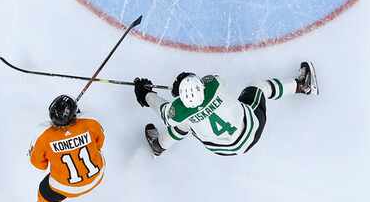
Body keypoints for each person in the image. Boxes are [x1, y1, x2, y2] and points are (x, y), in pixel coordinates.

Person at [132, 62, 318, 157]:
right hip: (250, 130)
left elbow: (162, 108)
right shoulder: (213, 85)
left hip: (222, 149)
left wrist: (144, 94)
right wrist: (185, 80)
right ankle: (302, 85)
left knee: (183, 125)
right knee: (257, 88)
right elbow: (208, 78)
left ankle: (158, 146)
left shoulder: (177, 111)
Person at [14, 95, 105, 202]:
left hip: (67, 187)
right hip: (97, 175)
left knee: (44, 192)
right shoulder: (91, 122)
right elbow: (100, 142)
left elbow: (39, 164)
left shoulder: (43, 135)